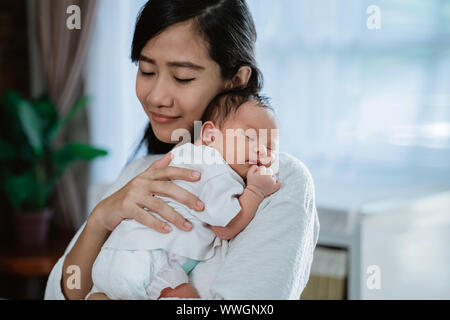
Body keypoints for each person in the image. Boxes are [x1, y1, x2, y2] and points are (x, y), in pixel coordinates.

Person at [44, 0, 320, 300]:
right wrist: (100, 218)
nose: (156, 96)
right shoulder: (142, 171)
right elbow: (61, 294)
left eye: (183, 77)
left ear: (236, 80)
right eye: (146, 70)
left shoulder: (279, 182)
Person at [86, 90, 282, 300]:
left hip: (120, 252)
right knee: (186, 297)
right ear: (210, 136)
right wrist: (256, 190)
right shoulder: (215, 168)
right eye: (250, 137)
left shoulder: (187, 155)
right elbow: (225, 228)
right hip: (151, 260)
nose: (262, 151)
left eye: (270, 147)